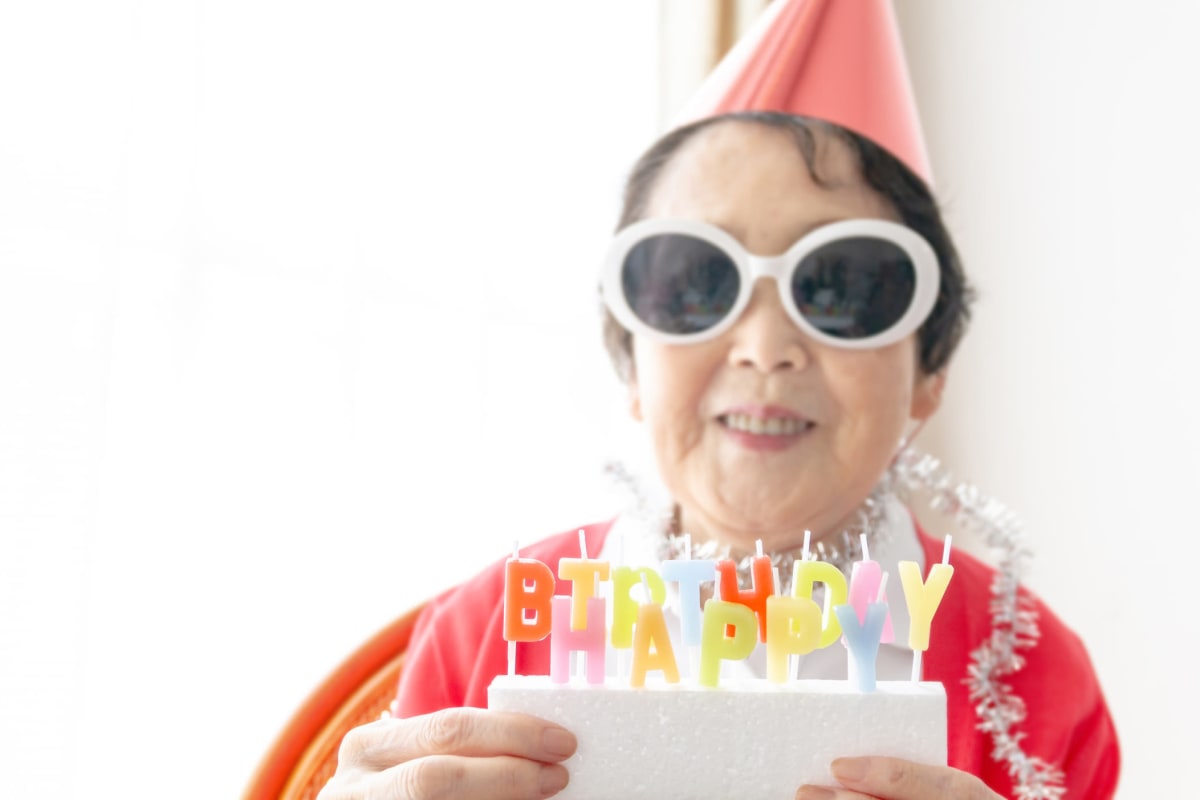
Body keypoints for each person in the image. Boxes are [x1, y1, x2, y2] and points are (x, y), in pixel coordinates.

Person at [317, 3, 1120, 799]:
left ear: (930, 373)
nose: (764, 346)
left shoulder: (1028, 677)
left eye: (839, 286)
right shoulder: (487, 630)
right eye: (698, 282)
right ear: (632, 364)